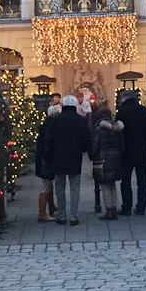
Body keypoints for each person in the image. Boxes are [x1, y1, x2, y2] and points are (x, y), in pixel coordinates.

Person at [45, 94, 91, 226]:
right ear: (75, 105)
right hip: (74, 156)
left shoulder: (56, 121)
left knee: (59, 186)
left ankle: (61, 215)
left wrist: (49, 156)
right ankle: (73, 216)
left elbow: (49, 140)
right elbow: (87, 139)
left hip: (58, 157)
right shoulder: (80, 120)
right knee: (75, 187)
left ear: (63, 105)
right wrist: (83, 150)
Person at [116, 90, 146, 216]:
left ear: (124, 98)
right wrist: (143, 140)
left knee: (126, 180)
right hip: (141, 148)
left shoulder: (122, 112)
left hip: (126, 150)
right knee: (142, 179)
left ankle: (126, 207)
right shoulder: (144, 110)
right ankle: (141, 207)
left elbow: (117, 131)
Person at [90, 107, 125, 221]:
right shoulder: (117, 128)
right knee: (112, 185)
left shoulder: (98, 129)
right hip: (116, 159)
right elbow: (122, 145)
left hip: (102, 160)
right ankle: (114, 208)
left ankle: (109, 210)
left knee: (104, 185)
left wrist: (92, 156)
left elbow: (94, 146)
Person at [34, 103, 60, 222]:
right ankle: (42, 213)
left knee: (48, 183)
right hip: (47, 160)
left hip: (42, 159)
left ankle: (51, 206)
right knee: (46, 185)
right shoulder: (52, 127)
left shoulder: (45, 125)